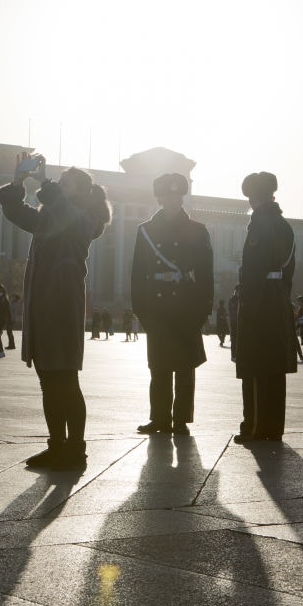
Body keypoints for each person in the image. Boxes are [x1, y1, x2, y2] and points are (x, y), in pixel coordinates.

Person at [0, 153, 112, 470]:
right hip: (43, 304)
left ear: (81, 191)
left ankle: (75, 449)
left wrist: (47, 183)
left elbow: (65, 214)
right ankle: (56, 445)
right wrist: (18, 183)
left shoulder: (86, 220)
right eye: (59, 183)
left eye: (65, 183)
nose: (60, 187)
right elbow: (16, 213)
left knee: (66, 379)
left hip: (62, 304)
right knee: (48, 379)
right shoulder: (52, 215)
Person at [131, 172, 214, 436]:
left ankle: (180, 420)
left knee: (185, 367)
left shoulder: (197, 230)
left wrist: (204, 308)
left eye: (177, 196)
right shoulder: (145, 231)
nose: (173, 200)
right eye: (168, 196)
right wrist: (140, 309)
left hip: (186, 305)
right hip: (156, 306)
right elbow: (137, 272)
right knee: (159, 366)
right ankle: (159, 418)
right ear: (160, 198)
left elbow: (205, 273)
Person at [233, 172, 297, 443]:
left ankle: (256, 427)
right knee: (274, 369)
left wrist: (248, 302)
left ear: (254, 197)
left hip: (259, 301)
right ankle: (273, 428)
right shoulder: (285, 225)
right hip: (278, 299)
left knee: (255, 365)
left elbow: (253, 269)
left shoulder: (259, 224)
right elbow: (290, 270)